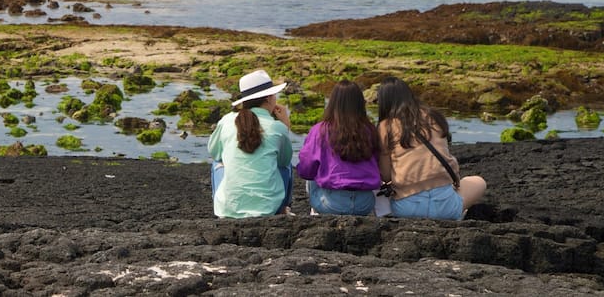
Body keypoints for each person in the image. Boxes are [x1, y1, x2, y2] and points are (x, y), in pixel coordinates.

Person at [375, 77, 487, 220]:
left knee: (375, 195)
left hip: (406, 209)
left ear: (384, 102)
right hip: (446, 206)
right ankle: (457, 214)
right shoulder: (434, 115)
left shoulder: (385, 126)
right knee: (478, 181)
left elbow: (385, 175)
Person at [208, 69, 294, 218]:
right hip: (268, 208)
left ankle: (227, 203)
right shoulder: (277, 127)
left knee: (217, 162)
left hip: (229, 209)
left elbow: (214, 152)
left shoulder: (227, 121)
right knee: (285, 165)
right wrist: (286, 127)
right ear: (268, 98)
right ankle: (282, 209)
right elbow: (284, 161)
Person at [296, 81, 381, 216]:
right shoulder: (369, 130)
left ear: (333, 102)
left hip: (331, 204)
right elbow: (378, 164)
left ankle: (316, 214)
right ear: (360, 103)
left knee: (312, 175)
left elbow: (306, 170)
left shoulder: (320, 130)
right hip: (365, 203)